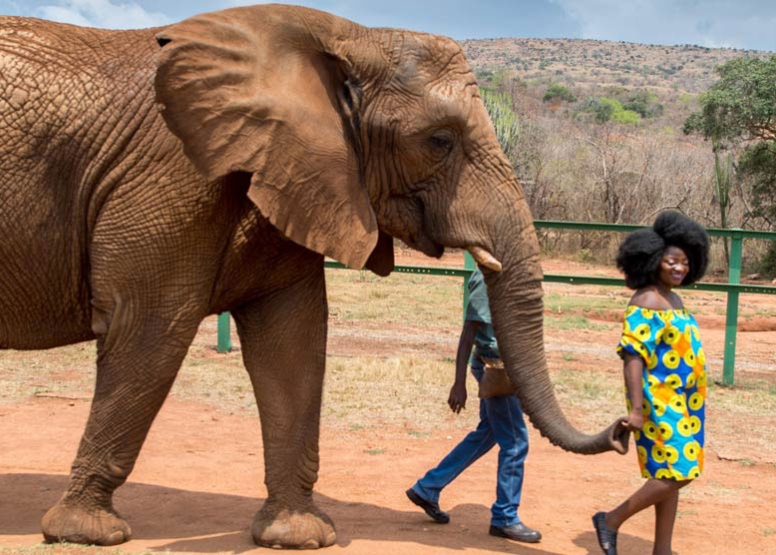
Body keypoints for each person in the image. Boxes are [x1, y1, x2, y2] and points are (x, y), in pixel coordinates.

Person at [593, 211, 710, 555]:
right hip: (658, 401)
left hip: (687, 402)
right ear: (653, 260)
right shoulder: (646, 300)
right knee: (681, 471)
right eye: (671, 261)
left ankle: (662, 549)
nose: (679, 268)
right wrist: (636, 408)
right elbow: (633, 357)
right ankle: (611, 520)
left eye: (685, 262)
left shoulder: (675, 299)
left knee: (668, 471)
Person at [406, 268, 541, 544]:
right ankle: (505, 517)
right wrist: (458, 383)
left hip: (502, 365)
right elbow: (469, 330)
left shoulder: (507, 270)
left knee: (488, 432)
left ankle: (428, 487)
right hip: (495, 369)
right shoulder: (488, 275)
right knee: (515, 443)